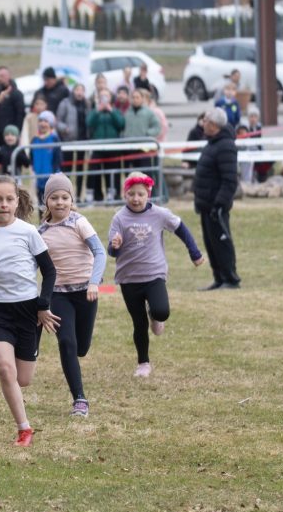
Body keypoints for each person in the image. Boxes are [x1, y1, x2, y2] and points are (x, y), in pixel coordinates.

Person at [0, 176, 59, 446]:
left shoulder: (28, 232)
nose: (4, 204)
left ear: (17, 202)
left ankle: (18, 402)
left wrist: (43, 304)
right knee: (6, 369)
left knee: (23, 379)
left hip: (28, 310)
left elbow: (49, 271)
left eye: (9, 199)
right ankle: (24, 429)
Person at [108, 172, 204, 378]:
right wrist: (115, 245)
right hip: (128, 278)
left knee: (162, 312)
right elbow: (112, 252)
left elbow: (181, 229)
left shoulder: (159, 214)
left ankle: (154, 314)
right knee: (139, 323)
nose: (135, 199)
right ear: (125, 194)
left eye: (140, 194)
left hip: (154, 274)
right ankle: (143, 363)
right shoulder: (119, 218)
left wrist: (194, 253)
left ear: (148, 194)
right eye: (131, 194)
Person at [38, 173, 105, 418]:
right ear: (46, 201)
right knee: (67, 342)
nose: (60, 202)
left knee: (81, 348)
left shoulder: (79, 222)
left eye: (65, 197)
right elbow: (33, 266)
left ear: (71, 200)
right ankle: (79, 399)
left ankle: (76, 357)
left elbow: (100, 252)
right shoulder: (40, 232)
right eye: (54, 198)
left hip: (86, 292)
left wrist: (94, 282)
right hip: (58, 294)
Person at [194, 108, 240, 291]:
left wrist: (220, 204)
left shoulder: (225, 146)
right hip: (206, 205)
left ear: (213, 125)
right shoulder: (212, 143)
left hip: (216, 206)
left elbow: (230, 180)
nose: (202, 123)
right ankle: (219, 278)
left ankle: (230, 278)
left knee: (221, 242)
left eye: (205, 121)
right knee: (211, 243)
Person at [86, 90, 125, 202]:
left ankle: (112, 193)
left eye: (106, 95)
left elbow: (121, 124)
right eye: (102, 96)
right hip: (98, 147)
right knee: (94, 170)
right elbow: (88, 123)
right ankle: (95, 195)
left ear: (110, 98)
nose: (104, 97)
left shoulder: (115, 111)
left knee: (112, 171)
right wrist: (97, 111)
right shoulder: (94, 111)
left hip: (112, 147)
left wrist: (111, 111)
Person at [123, 88, 162, 171]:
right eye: (133, 97)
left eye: (137, 97)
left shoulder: (148, 112)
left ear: (142, 99)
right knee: (130, 173)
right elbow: (122, 127)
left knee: (144, 172)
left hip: (143, 148)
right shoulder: (127, 113)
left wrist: (147, 134)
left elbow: (157, 126)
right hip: (129, 147)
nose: (135, 100)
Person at [28, 110, 62, 204]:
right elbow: (31, 156)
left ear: (50, 124)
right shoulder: (35, 140)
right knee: (41, 202)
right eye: (41, 121)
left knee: (51, 202)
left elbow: (58, 158)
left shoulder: (54, 139)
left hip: (51, 177)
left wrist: (54, 173)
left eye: (46, 121)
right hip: (39, 177)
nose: (42, 124)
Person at [0, 66, 26, 146]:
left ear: (9, 76)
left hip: (10, 134)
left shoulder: (17, 94)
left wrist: (17, 133)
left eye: (2, 76)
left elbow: (20, 115)